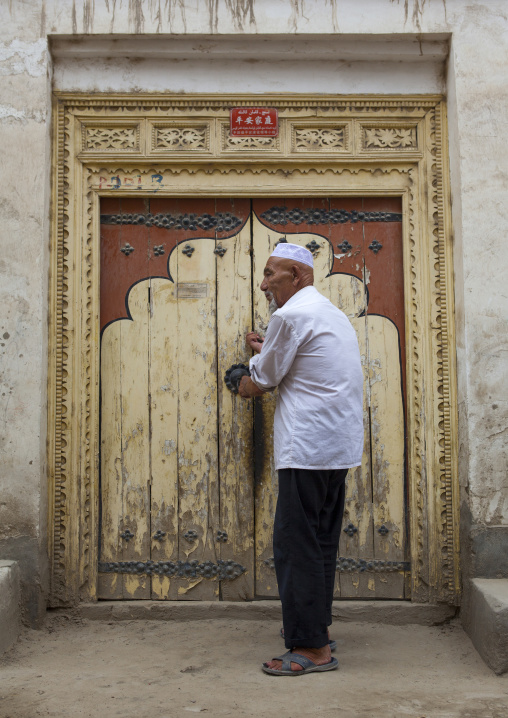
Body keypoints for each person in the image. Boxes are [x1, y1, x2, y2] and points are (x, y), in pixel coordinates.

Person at [238, 242, 364, 676]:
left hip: (306, 449)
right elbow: (300, 360)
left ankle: (311, 650)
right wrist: (266, 346)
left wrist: (241, 376)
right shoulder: (329, 313)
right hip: (335, 448)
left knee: (296, 545)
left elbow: (262, 381)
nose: (263, 283)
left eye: (271, 273)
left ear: (298, 274)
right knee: (320, 543)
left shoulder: (290, 316)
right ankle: (317, 631)